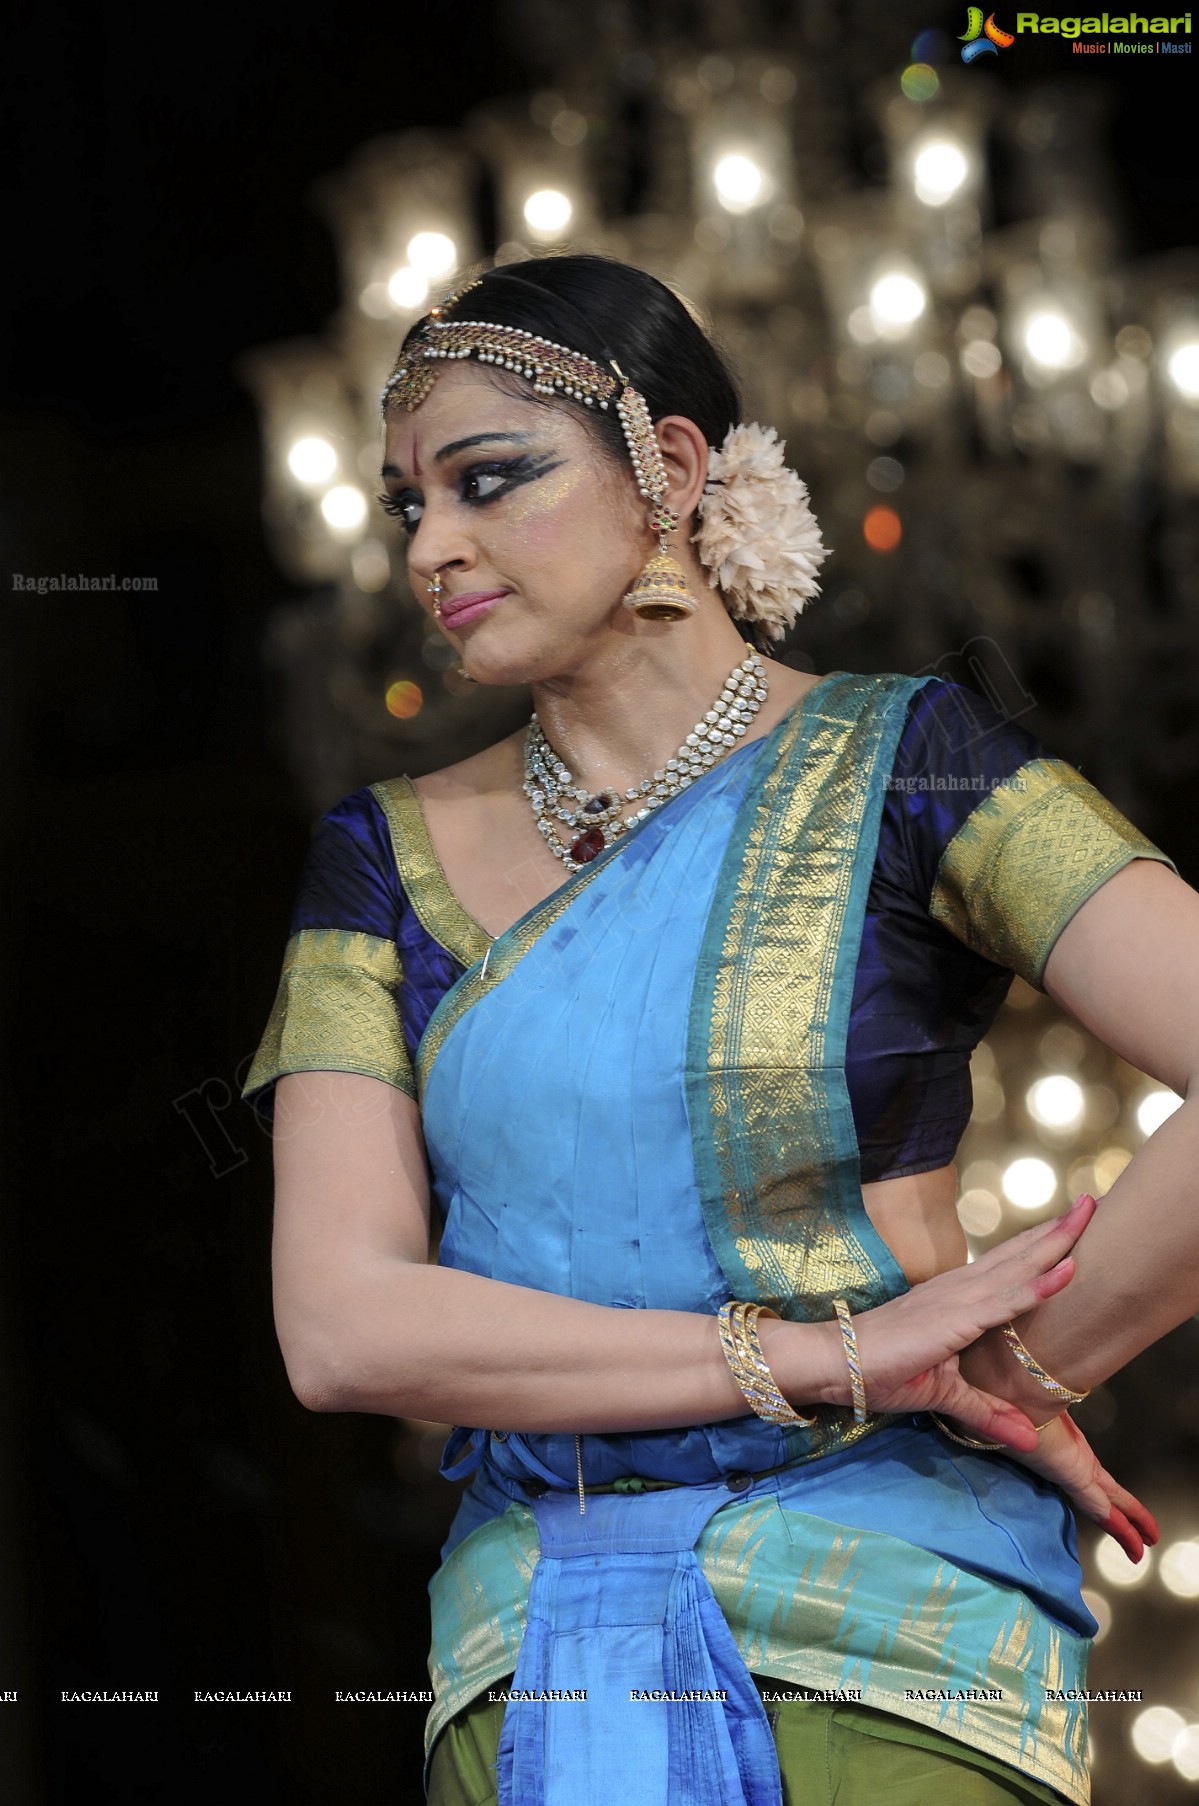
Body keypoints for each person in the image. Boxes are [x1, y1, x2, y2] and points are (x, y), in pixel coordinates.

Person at [241, 254, 1198, 1806]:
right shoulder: (383, 855)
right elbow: (342, 1326)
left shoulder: (911, 763)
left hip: (886, 1641)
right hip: (530, 1669)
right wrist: (831, 1352)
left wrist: (1009, 1364)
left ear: (671, 469)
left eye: (491, 480)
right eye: (408, 504)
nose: (436, 546)